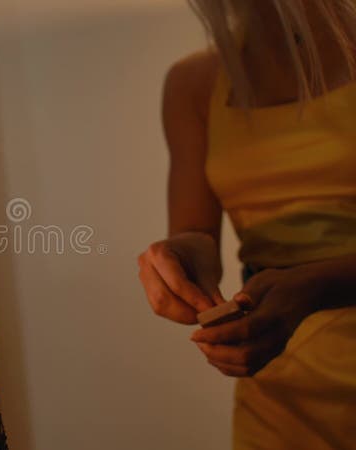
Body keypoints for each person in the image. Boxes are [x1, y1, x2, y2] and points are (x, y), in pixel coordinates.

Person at [137, 0, 356, 448]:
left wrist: (312, 287)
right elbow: (198, 234)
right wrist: (179, 258)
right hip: (279, 400)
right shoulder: (193, 84)